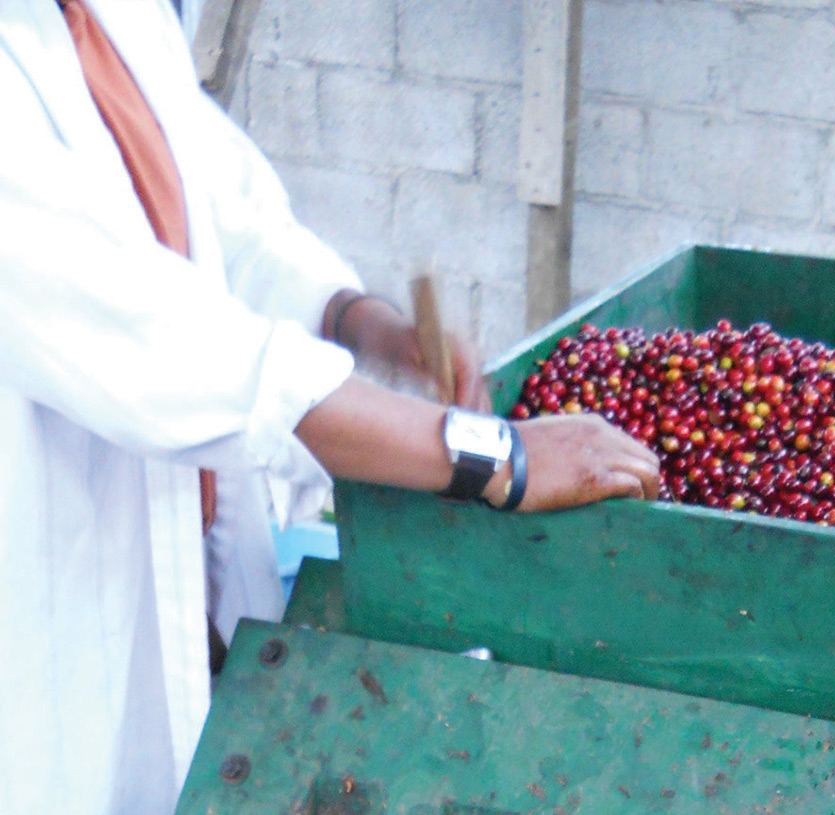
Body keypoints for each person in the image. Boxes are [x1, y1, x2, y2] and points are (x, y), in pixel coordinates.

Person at [0, 1, 660, 812]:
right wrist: (497, 457)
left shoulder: (116, 14)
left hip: (187, 585)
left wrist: (362, 321)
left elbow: (227, 219)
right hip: (49, 657)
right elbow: (171, 348)